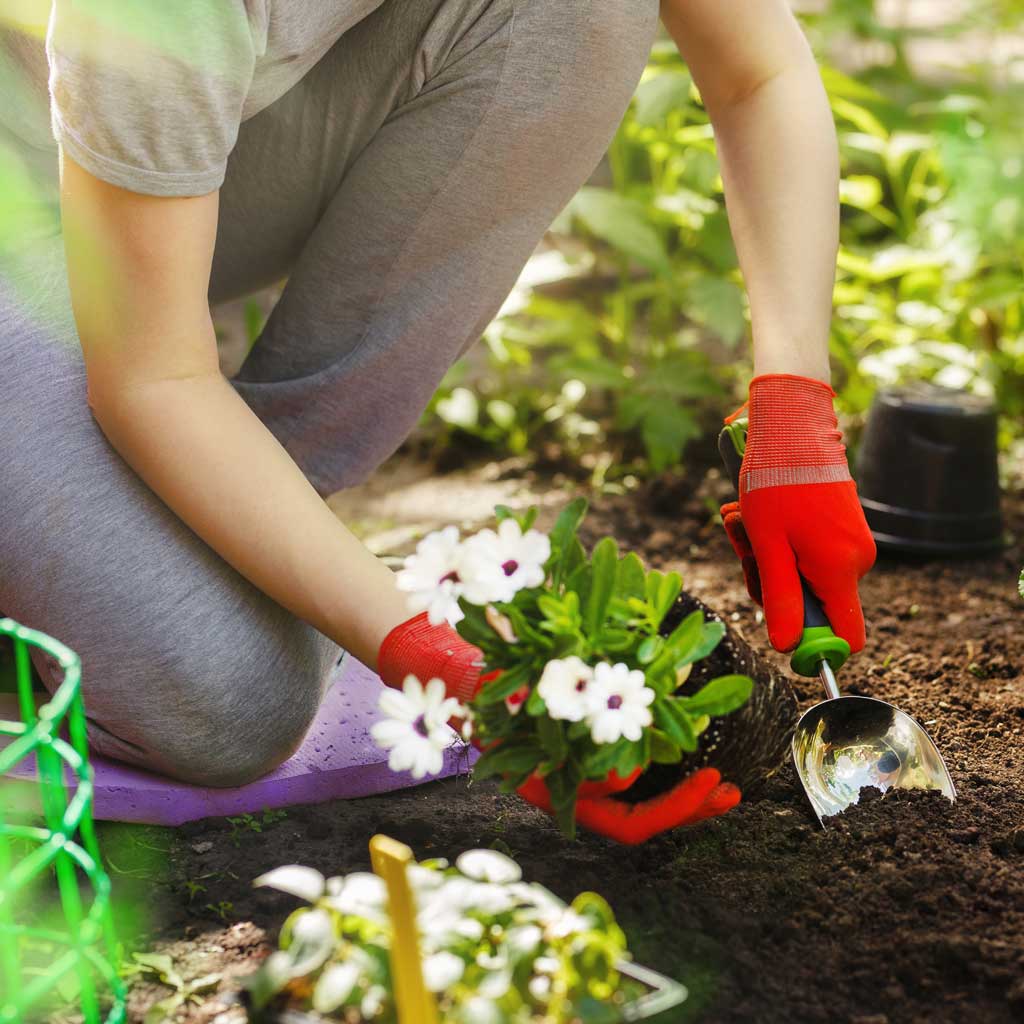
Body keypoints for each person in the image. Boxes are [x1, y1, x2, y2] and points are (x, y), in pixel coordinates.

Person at [0, 0, 875, 831]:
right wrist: (432, 659)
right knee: (230, 699)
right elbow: (153, 380)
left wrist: (793, 410)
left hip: (128, 164)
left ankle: (216, 525)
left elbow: (758, 71)